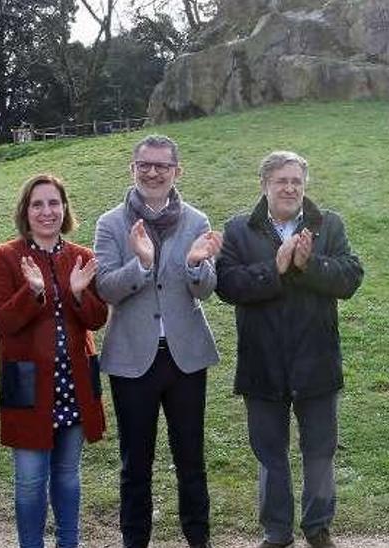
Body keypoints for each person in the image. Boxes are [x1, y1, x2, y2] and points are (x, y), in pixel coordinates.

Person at [215, 151, 364, 548]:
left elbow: (350, 277)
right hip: (262, 362)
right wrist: (275, 270)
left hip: (316, 361)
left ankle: (317, 528)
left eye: (296, 180)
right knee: (270, 454)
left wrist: (309, 265)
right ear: (264, 184)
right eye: (281, 180)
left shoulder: (327, 224)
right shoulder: (239, 229)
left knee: (319, 452)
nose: (290, 187)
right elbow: (227, 285)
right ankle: (277, 531)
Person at [94, 134, 224, 548]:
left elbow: (205, 290)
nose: (153, 172)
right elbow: (105, 289)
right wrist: (142, 263)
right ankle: (135, 541)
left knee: (191, 459)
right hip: (132, 358)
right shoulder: (111, 223)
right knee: (136, 463)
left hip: (185, 357)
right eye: (145, 165)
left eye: (162, 166)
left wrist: (194, 265)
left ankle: (198, 539)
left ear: (176, 172)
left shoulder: (197, 221)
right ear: (132, 169)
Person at [0, 174, 108, 548]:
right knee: (29, 482)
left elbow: (97, 319)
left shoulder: (82, 257)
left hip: (74, 385)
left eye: (54, 203)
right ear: (25, 210)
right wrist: (33, 292)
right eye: (37, 204)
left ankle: (69, 543)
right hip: (28, 387)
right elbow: (2, 321)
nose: (47, 211)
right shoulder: (6, 257)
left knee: (68, 477)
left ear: (64, 208)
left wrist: (75, 294)